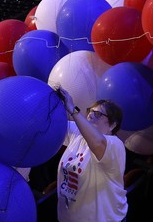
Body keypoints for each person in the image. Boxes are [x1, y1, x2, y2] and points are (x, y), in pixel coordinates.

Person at [56, 88, 128, 222]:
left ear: (112, 125)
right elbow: (55, 125)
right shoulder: (79, 133)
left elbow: (98, 142)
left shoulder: (115, 144)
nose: (90, 115)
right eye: (90, 111)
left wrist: (73, 109)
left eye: (98, 114)